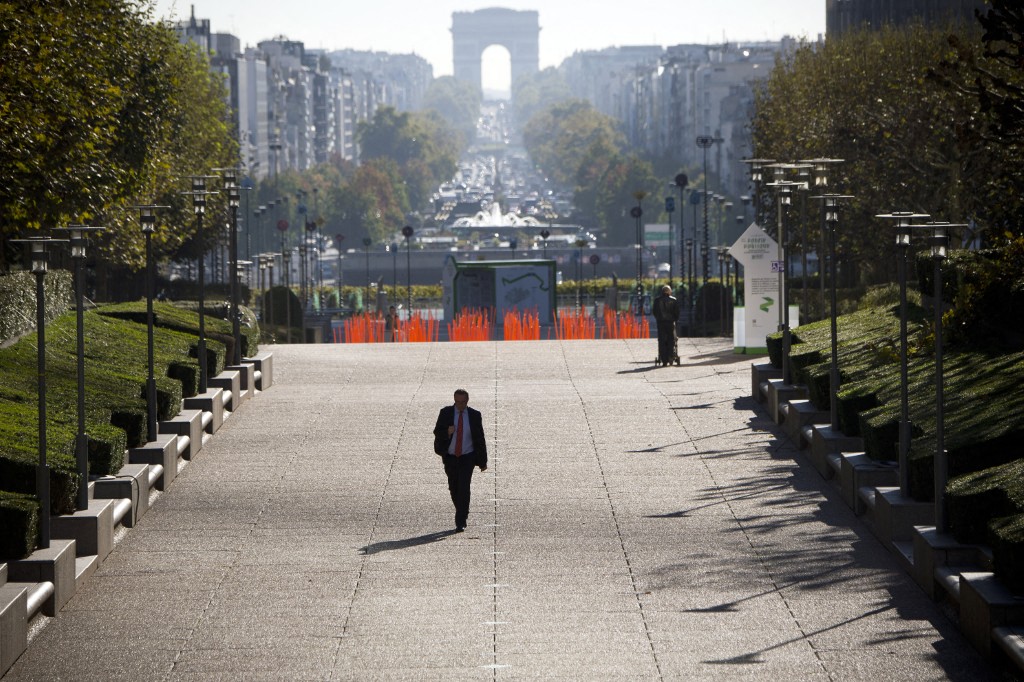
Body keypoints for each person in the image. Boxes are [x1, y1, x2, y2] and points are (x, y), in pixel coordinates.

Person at [433, 389, 488, 532]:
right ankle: (462, 509)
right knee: (454, 487)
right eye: (458, 402)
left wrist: (483, 461)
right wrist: (447, 432)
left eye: (463, 402)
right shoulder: (445, 413)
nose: (460, 405)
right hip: (450, 457)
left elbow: (480, 438)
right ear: (454, 400)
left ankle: (461, 519)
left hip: (467, 457)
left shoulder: (475, 415)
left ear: (467, 401)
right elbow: (437, 431)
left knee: (464, 487)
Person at [652, 284, 680, 365]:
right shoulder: (674, 300)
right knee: (671, 339)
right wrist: (675, 319)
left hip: (661, 322)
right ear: (669, 292)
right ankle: (670, 356)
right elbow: (677, 312)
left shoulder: (657, 300)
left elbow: (655, 311)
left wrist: (658, 318)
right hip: (670, 322)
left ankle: (663, 358)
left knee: (661, 340)